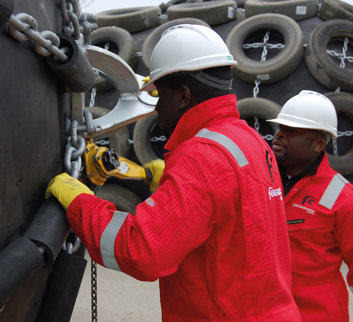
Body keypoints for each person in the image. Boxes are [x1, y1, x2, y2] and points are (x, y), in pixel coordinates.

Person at [46, 24, 301, 321]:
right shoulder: (253, 141)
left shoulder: (200, 157)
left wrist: (80, 202)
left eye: (158, 95)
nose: (155, 108)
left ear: (182, 96)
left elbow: (141, 250)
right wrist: (169, 192)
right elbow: (223, 220)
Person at [267, 90, 353, 321]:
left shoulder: (341, 196)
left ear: (317, 144)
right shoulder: (260, 179)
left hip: (318, 314)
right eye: (280, 128)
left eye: (291, 131)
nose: (279, 135)